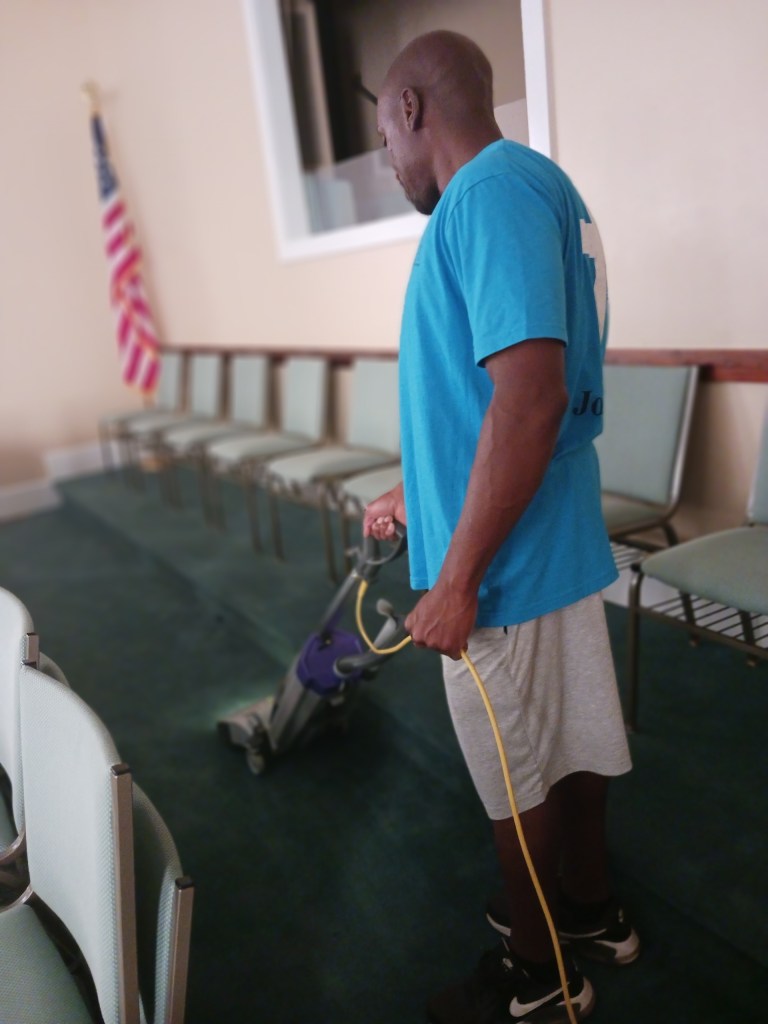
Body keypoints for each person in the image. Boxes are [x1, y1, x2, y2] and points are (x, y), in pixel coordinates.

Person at [364, 30, 638, 1024]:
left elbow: (527, 401)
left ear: (408, 111)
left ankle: (539, 973)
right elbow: (486, 404)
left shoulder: (484, 198)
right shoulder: (534, 187)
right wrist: (416, 494)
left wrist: (456, 576)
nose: (390, 164)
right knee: (572, 736)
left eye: (384, 138)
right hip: (546, 531)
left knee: (513, 770)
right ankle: (591, 908)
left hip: (507, 565)